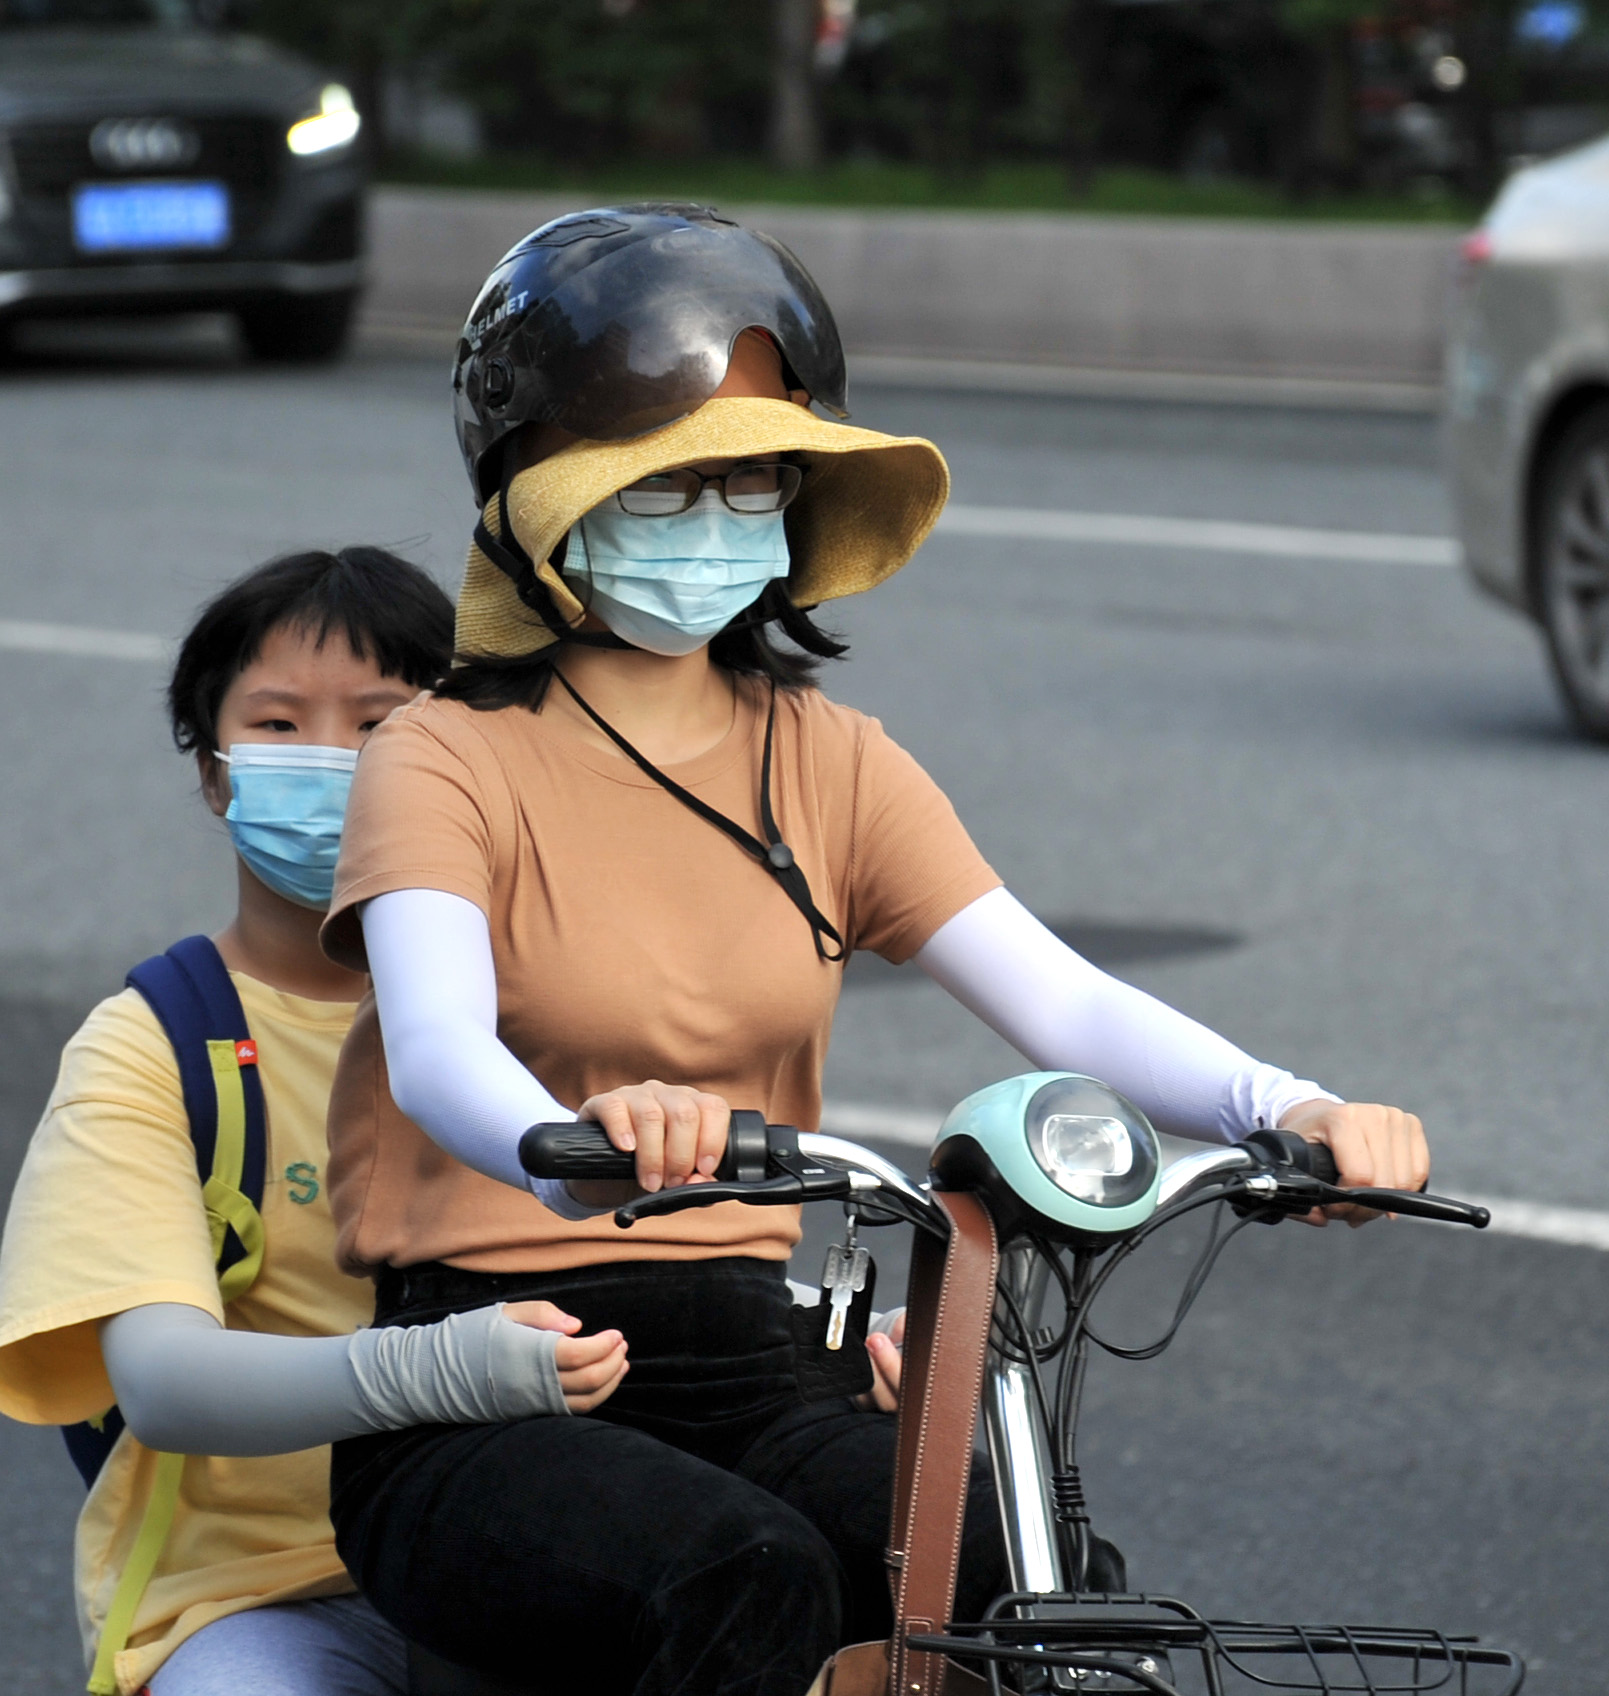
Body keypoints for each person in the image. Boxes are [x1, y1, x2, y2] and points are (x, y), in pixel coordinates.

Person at [319, 207, 1434, 1696]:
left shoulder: (832, 762)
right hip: (491, 1370)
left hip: (755, 1358)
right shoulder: (441, 757)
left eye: (755, 479)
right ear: (543, 498)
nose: (719, 516)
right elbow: (442, 1044)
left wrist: (1288, 1111)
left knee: (1025, 1576)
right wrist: (568, 1143)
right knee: (745, 1576)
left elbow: (1059, 996)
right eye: (671, 482)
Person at [0, 547, 633, 1696]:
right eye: (277, 724)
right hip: (263, 1599)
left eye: (384, 724)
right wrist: (443, 1368)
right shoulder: (158, 1042)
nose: (332, 759)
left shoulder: (573, 1004)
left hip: (550, 1564)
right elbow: (166, 1384)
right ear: (214, 769)